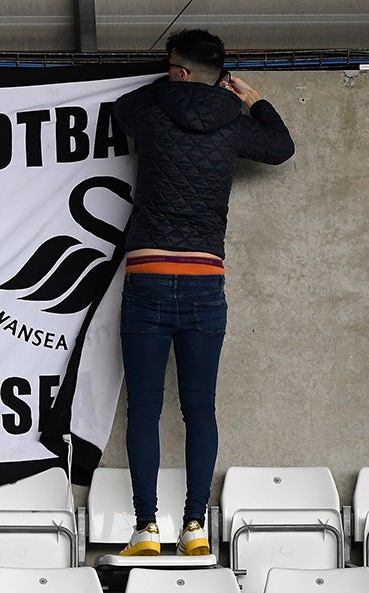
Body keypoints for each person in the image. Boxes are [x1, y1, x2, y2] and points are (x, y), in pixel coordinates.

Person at [111, 29, 294, 556]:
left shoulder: (151, 111)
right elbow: (281, 148)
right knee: (200, 409)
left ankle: (146, 528)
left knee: (144, 409)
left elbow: (123, 107)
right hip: (204, 284)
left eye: (171, 66)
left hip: (147, 277)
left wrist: (169, 85)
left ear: (180, 72)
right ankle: (195, 525)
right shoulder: (235, 126)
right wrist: (253, 101)